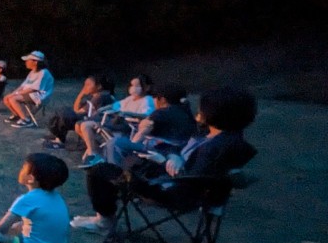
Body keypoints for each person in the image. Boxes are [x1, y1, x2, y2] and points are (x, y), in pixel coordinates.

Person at [71, 87, 258, 234]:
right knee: (114, 162)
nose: (199, 110)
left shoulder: (215, 147)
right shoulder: (223, 137)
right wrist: (173, 156)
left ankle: (104, 221)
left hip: (168, 190)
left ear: (216, 112)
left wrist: (161, 160)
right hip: (177, 185)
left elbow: (193, 178)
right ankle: (104, 217)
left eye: (204, 107)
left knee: (98, 169)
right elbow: (186, 155)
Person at [103, 85, 196, 167]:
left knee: (115, 143)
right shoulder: (187, 113)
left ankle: (114, 174)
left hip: (160, 151)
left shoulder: (162, 112)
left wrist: (134, 143)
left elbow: (147, 127)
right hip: (178, 150)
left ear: (162, 99)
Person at [76, 74, 155, 166]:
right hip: (117, 123)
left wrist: (128, 113)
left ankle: (100, 153)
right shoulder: (130, 99)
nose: (133, 88)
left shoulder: (147, 100)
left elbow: (147, 115)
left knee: (97, 125)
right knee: (86, 125)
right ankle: (93, 153)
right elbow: (115, 105)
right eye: (132, 85)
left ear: (146, 87)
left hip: (129, 127)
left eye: (136, 86)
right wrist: (102, 109)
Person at [42, 75, 114, 149]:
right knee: (62, 113)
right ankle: (58, 136)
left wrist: (72, 111)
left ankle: (59, 140)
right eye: (84, 85)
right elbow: (76, 109)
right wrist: (81, 93)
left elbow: (79, 112)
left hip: (94, 121)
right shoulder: (94, 96)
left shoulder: (100, 96)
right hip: (89, 119)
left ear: (99, 87)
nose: (85, 87)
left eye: (88, 85)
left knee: (63, 114)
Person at [3, 50, 55, 128]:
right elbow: (22, 86)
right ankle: (17, 115)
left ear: (35, 62)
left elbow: (34, 89)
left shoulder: (44, 73)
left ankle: (26, 120)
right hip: (31, 93)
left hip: (40, 95)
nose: (26, 62)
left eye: (28, 60)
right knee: (7, 98)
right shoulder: (32, 72)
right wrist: (13, 93)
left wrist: (16, 94)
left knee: (13, 99)